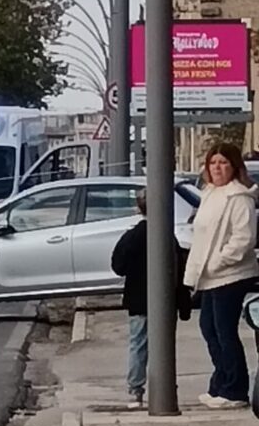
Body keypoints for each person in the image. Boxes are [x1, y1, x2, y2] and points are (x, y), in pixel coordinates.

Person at [184, 143, 259, 410]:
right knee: (209, 328)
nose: (217, 168)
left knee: (224, 330)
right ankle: (221, 382)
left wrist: (219, 261)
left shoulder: (239, 197)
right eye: (213, 162)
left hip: (231, 273)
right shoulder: (210, 193)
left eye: (223, 162)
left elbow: (243, 238)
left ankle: (235, 389)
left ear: (234, 166)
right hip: (209, 273)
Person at [111, 189, 191, 409]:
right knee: (164, 345)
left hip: (138, 300)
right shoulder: (168, 235)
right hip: (167, 301)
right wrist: (184, 303)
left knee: (138, 345)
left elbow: (118, 266)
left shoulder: (132, 236)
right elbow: (179, 270)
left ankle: (136, 391)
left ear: (139, 208)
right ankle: (166, 386)